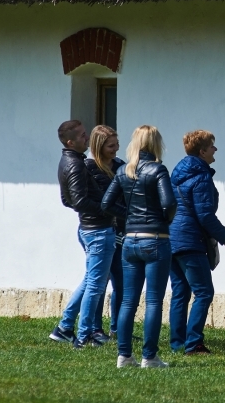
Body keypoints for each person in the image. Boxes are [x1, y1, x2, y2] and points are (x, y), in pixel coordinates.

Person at [102, 125, 176, 368]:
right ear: (155, 144)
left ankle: (124, 356)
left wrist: (129, 215)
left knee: (128, 301)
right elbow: (169, 203)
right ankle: (150, 357)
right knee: (153, 300)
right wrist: (162, 220)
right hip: (155, 239)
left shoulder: (124, 170)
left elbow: (106, 203)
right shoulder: (158, 169)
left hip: (129, 240)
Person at [50, 120, 125, 348]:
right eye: (83, 136)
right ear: (70, 142)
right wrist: (108, 208)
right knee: (95, 285)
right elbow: (79, 201)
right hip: (98, 230)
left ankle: (64, 327)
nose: (87, 139)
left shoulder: (72, 162)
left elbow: (67, 200)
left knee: (91, 281)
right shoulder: (76, 165)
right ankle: (84, 335)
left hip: (92, 229)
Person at [169, 130, 225, 355]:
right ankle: (194, 343)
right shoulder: (201, 177)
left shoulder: (176, 174)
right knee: (204, 292)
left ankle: (177, 343)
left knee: (180, 292)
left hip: (172, 240)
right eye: (212, 146)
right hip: (190, 241)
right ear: (202, 151)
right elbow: (205, 215)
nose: (215, 149)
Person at [85, 125, 126, 341]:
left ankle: (118, 328)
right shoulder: (89, 168)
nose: (116, 149)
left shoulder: (121, 166)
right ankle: (95, 328)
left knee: (120, 279)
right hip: (100, 229)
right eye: (111, 146)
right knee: (100, 280)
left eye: (117, 144)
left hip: (120, 230)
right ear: (99, 147)